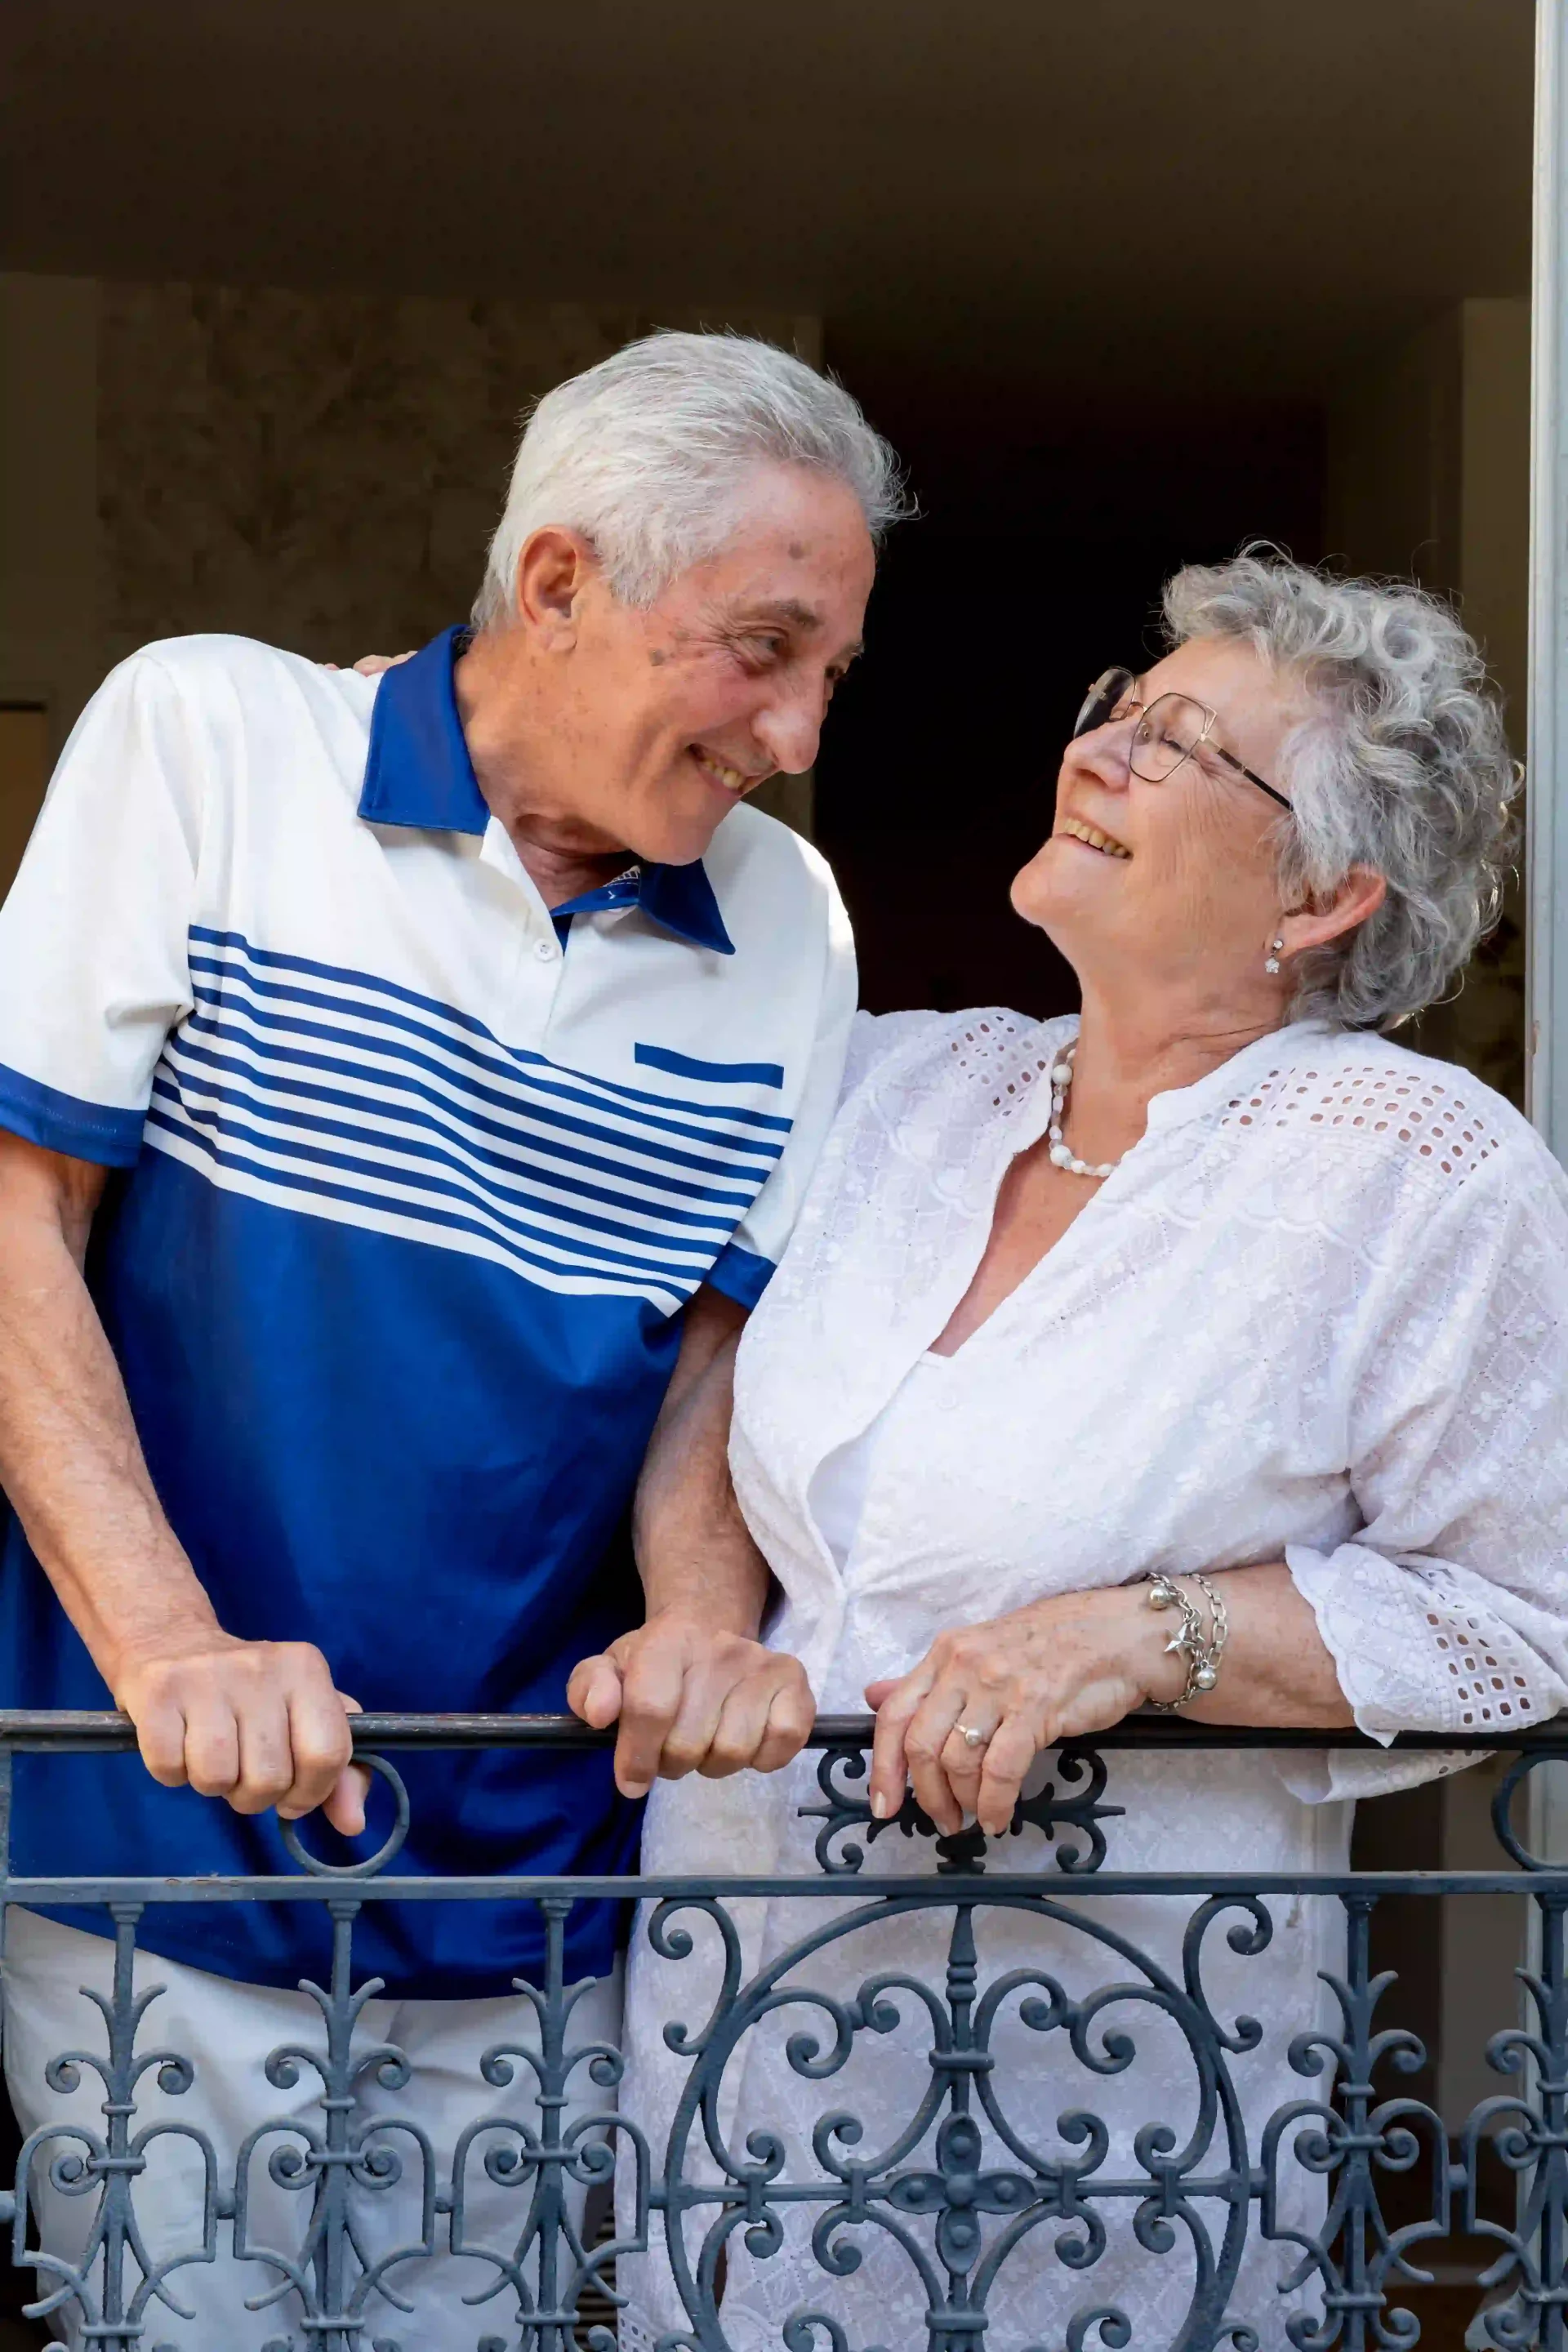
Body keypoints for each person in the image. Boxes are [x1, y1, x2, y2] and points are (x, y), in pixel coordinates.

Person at [0, 331, 905, 2344]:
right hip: (157, 1845)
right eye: (762, 648)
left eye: (829, 669)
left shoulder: (797, 927)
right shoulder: (209, 739)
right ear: (562, 581)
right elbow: (14, 1221)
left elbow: (706, 1354)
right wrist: (170, 1647)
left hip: (536, 1877)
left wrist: (694, 1611)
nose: (795, 726)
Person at [612, 553, 1568, 2352]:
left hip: (1111, 2070)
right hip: (737, 2004)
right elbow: (715, 1365)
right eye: (1120, 712)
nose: (1103, 755)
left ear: (1323, 894)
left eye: (1185, 743)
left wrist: (1142, 1635)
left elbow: (1521, 1620)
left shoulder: (1421, 1171)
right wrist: (699, 1616)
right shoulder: (904, 1079)